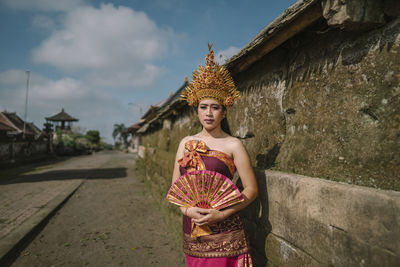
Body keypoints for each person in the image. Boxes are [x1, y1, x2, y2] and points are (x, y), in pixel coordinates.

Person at [170, 43, 258, 267]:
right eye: (203, 106)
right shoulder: (185, 143)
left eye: (215, 107)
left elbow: (251, 190)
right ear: (196, 110)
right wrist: (188, 210)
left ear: (224, 111)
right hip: (193, 227)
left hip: (226, 229)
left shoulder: (233, 145)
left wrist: (221, 214)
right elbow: (175, 189)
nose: (208, 112)